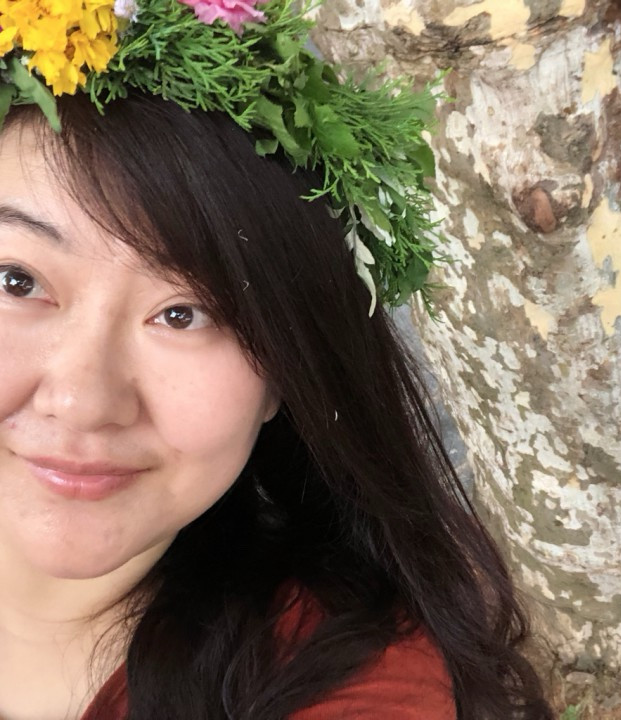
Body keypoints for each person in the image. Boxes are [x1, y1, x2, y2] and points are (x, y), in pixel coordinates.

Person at [0, 2, 555, 720]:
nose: (82, 401)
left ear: (281, 376)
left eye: (186, 313)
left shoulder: (344, 681)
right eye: (17, 281)